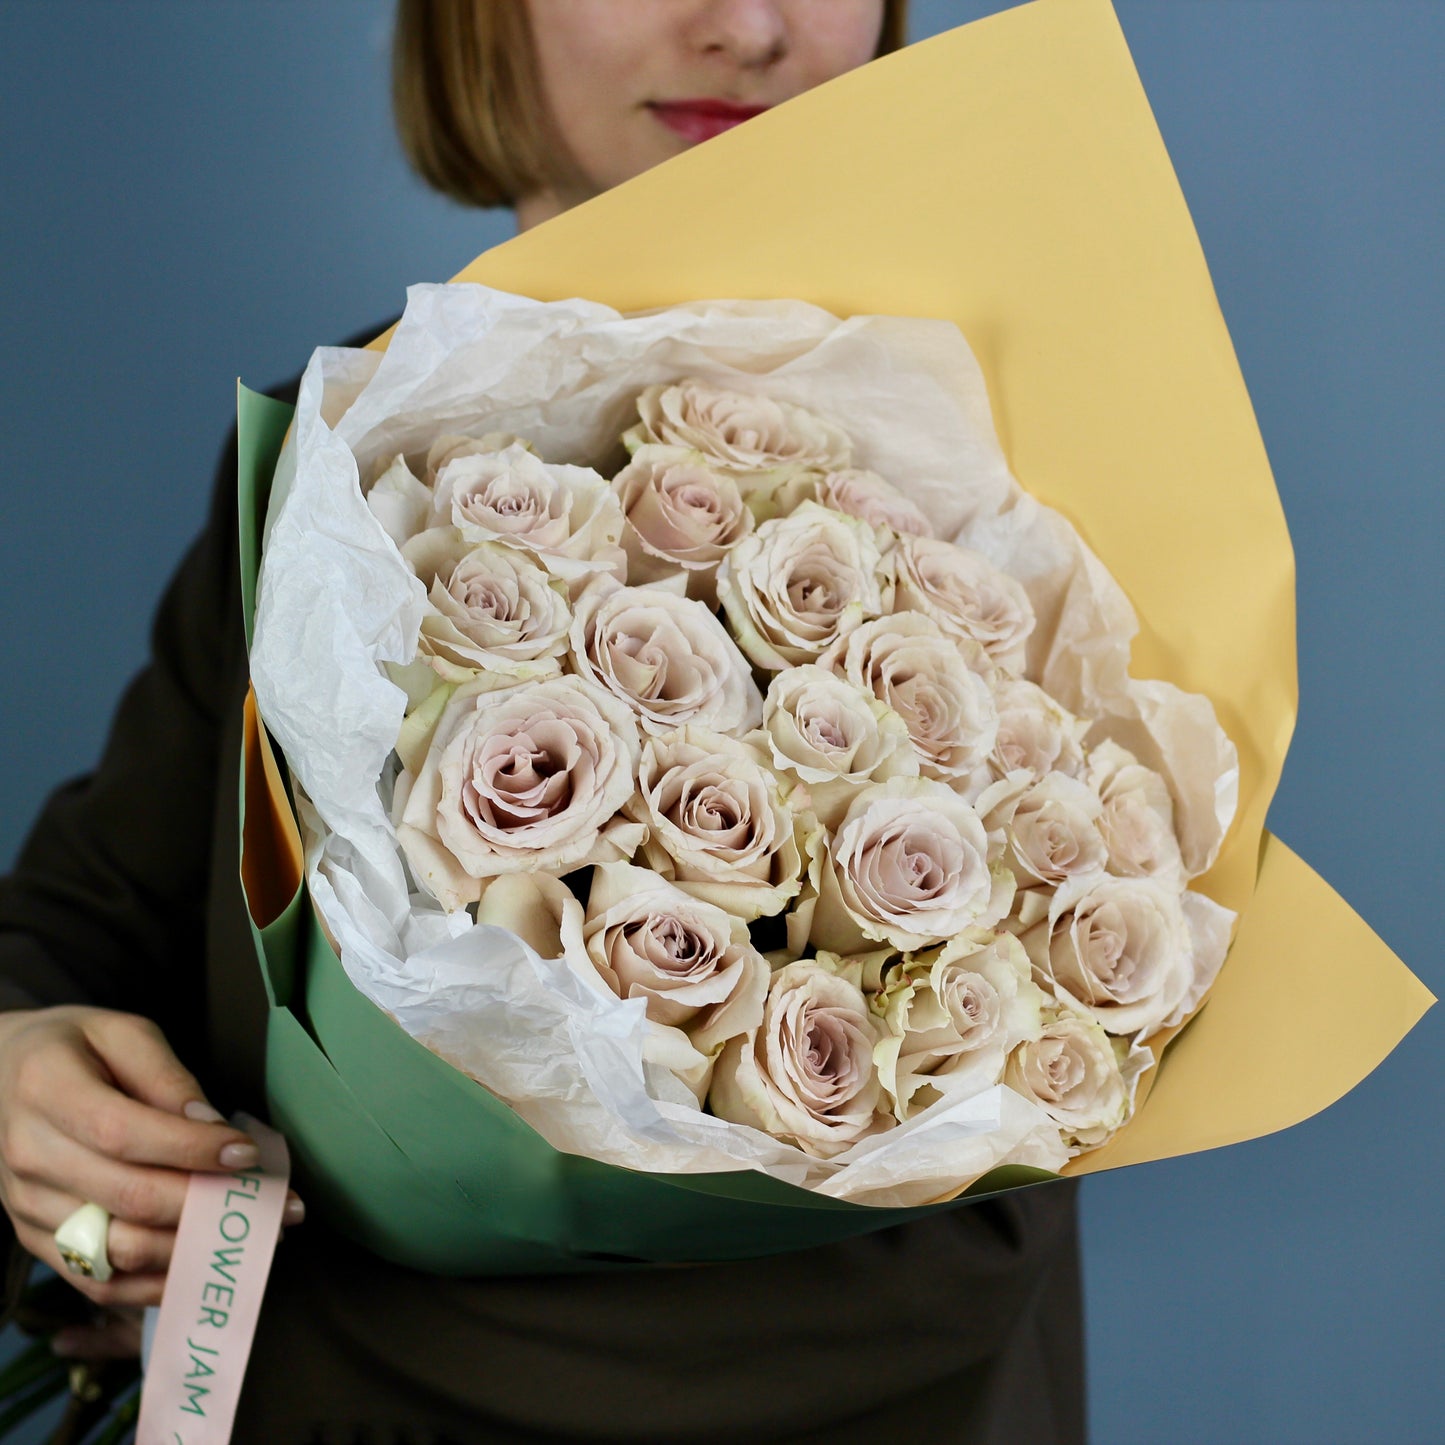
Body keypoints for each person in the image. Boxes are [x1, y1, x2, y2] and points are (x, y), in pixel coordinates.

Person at [0, 2, 1085, 1440]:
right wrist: (40, 1095)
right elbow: (95, 913)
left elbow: (979, 1222)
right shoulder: (337, 453)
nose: (748, 24)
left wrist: (345, 1287)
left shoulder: (1016, 488)